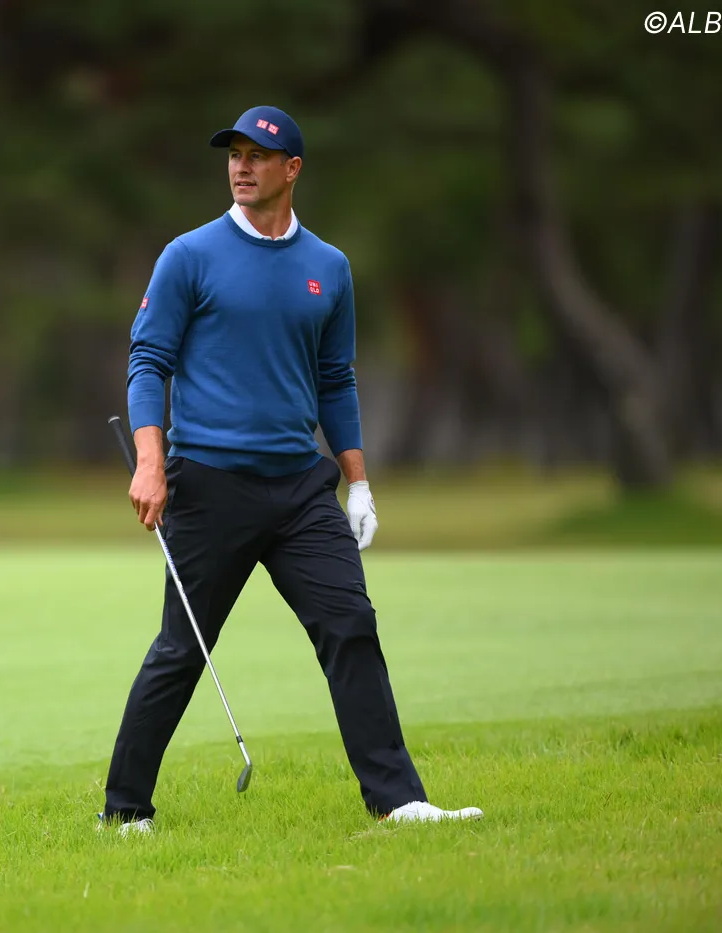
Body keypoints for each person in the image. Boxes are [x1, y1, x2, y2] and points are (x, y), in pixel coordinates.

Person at [99, 105, 483, 835]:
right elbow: (148, 361)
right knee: (182, 649)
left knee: (351, 624)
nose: (242, 167)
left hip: (301, 488)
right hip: (208, 483)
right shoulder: (190, 255)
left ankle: (398, 800)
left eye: (258, 156)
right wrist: (151, 462)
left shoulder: (328, 268)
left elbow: (336, 380)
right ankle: (123, 812)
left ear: (292, 169)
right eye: (234, 155)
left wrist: (358, 482)